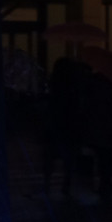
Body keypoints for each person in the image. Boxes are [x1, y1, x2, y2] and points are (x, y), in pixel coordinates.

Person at [82, 69, 112, 203]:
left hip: (99, 126)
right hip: (111, 126)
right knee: (107, 157)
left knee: (102, 156)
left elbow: (88, 105)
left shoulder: (93, 85)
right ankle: (106, 182)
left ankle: (104, 182)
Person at [43, 56, 85, 198]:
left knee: (50, 157)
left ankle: (47, 184)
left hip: (55, 125)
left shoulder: (53, 85)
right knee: (69, 158)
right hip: (69, 126)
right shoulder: (74, 87)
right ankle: (66, 184)